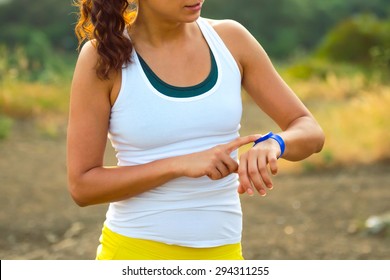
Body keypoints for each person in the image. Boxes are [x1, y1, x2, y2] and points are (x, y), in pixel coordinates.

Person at [67, 0, 325, 260]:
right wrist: (178, 165)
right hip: (135, 253)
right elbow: (83, 186)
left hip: (224, 255)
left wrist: (275, 143)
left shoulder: (231, 40)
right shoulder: (102, 57)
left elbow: (309, 129)